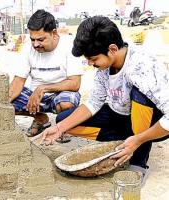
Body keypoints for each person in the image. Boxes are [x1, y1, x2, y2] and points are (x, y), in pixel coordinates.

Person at [41, 16, 169, 184]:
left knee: (139, 95)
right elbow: (94, 102)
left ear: (113, 49)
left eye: (93, 59)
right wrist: (59, 129)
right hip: (121, 116)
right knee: (64, 120)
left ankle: (139, 160)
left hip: (149, 121)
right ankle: (125, 141)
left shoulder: (141, 67)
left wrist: (139, 139)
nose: (90, 63)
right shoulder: (104, 67)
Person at [9, 10, 83, 137]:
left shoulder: (69, 46)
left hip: (59, 94)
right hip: (34, 98)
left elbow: (75, 83)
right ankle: (40, 119)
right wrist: (3, 102)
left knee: (67, 103)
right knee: (6, 101)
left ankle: (62, 128)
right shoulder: (28, 48)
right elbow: (18, 81)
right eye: (33, 39)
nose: (36, 44)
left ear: (54, 33)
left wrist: (43, 88)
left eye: (41, 39)